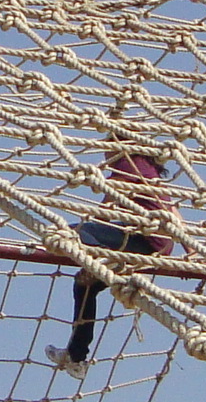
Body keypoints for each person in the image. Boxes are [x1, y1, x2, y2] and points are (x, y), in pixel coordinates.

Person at [51, 147, 178, 378]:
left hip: (144, 242)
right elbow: (174, 214)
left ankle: (103, 258)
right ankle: (76, 357)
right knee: (84, 286)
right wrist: (190, 250)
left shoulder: (128, 162)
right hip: (158, 245)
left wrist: (90, 246)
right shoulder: (148, 168)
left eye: (107, 146)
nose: (104, 153)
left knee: (72, 231)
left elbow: (108, 206)